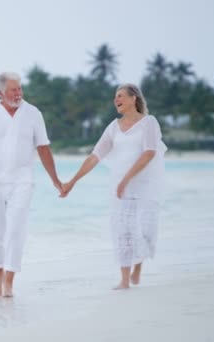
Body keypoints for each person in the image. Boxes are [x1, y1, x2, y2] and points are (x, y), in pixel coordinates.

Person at [61, 83, 167, 290]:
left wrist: (127, 178)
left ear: (133, 98)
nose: (115, 100)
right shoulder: (113, 127)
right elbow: (95, 156)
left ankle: (138, 266)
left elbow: (149, 152)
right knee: (123, 231)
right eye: (114, 97)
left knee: (145, 230)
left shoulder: (148, 123)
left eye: (120, 96)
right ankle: (125, 279)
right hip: (120, 188)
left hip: (144, 185)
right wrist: (72, 181)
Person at [0, 71, 62, 297]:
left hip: (22, 179)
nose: (18, 93)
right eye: (13, 89)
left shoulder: (33, 114)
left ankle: (9, 281)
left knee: (16, 229)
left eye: (19, 88)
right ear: (1, 92)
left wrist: (56, 181)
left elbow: (44, 148)